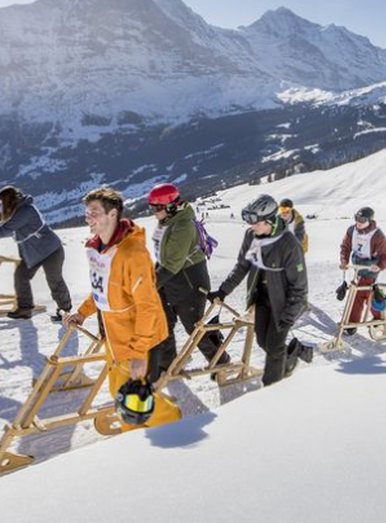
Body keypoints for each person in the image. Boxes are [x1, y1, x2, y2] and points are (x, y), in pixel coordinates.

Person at [63, 187, 181, 430]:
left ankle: (173, 426)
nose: (88, 218)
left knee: (136, 398)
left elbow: (147, 307)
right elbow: (102, 289)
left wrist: (139, 352)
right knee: (118, 390)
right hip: (114, 336)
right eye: (87, 212)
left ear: (113, 214)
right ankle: (132, 436)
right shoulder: (100, 250)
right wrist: (82, 313)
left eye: (94, 212)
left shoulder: (132, 254)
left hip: (138, 338)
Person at [207, 195, 308, 387]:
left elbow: (300, 286)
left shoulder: (289, 244)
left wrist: (290, 314)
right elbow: (242, 266)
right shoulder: (251, 236)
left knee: (274, 349)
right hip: (261, 298)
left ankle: (271, 391)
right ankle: (292, 355)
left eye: (256, 222)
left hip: (284, 304)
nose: (252, 227)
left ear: (270, 220)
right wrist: (223, 291)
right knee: (264, 342)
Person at [148, 183, 230, 377]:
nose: (153, 212)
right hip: (168, 280)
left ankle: (221, 361)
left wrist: (148, 288)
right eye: (151, 208)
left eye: (157, 208)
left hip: (189, 283)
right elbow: (162, 258)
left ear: (171, 206)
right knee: (163, 322)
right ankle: (166, 364)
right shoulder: (166, 222)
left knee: (194, 329)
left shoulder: (183, 226)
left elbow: (172, 264)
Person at [0, 185, 71, 320]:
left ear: (8, 200)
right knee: (21, 276)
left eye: (2, 202)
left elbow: (5, 229)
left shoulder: (26, 211)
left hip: (51, 250)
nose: (1, 206)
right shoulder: (15, 210)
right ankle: (25, 309)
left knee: (54, 280)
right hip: (32, 253)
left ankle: (65, 311)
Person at [339, 207, 386, 335]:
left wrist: (379, 266)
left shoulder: (377, 235)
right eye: (357, 218)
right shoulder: (352, 230)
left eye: (362, 219)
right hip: (357, 266)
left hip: (370, 267)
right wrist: (344, 261)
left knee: (360, 292)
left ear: (369, 220)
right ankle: (375, 319)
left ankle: (353, 323)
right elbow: (345, 247)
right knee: (362, 292)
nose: (359, 222)